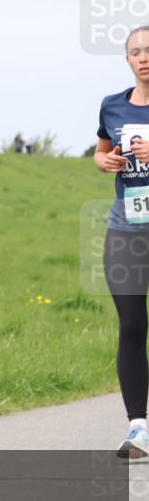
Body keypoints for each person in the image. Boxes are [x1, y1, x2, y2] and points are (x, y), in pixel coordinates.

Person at [94, 24, 149, 459]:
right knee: (131, 326)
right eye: (136, 51)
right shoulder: (112, 105)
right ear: (127, 60)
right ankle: (138, 429)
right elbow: (100, 150)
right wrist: (106, 160)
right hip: (126, 230)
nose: (143, 57)